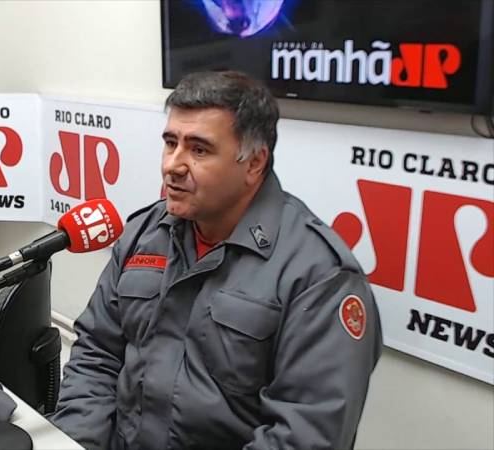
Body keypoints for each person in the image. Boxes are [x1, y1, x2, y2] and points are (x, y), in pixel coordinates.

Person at [49, 71, 383, 450]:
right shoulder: (146, 233)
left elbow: (305, 435)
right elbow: (97, 354)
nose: (173, 165)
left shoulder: (319, 275)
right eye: (171, 143)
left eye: (199, 150)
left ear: (254, 163)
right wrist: (76, 444)